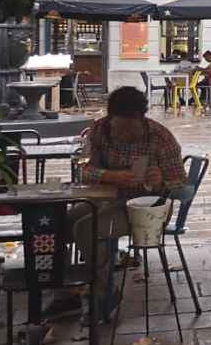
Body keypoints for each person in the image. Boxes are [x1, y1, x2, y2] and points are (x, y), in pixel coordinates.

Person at [46, 88, 185, 321]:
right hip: (104, 198)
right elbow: (83, 170)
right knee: (58, 222)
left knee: (86, 227)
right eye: (118, 129)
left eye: (130, 130)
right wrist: (108, 175)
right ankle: (64, 290)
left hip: (146, 209)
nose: (123, 135)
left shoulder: (161, 138)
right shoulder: (100, 131)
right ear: (110, 119)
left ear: (142, 119)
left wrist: (161, 180)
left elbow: (180, 183)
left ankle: (104, 294)